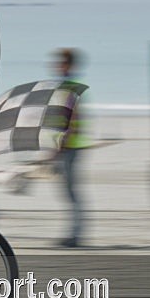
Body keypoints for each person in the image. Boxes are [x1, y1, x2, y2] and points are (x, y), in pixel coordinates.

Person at [53, 48, 90, 248]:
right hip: (66, 146)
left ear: (69, 65)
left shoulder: (71, 87)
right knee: (68, 192)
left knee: (71, 193)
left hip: (70, 148)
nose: (58, 65)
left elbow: (74, 117)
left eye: (61, 62)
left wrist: (64, 142)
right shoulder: (65, 87)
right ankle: (74, 233)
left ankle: (76, 235)